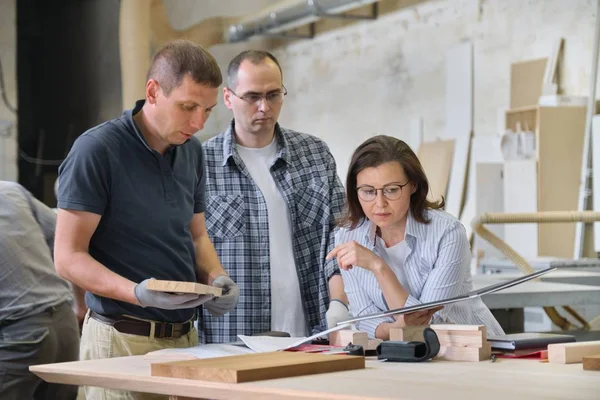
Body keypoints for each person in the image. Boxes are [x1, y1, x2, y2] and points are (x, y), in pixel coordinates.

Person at [54, 40, 239, 399]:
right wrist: (137, 294)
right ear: (153, 92)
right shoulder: (97, 151)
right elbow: (67, 257)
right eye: (188, 107)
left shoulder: (192, 151)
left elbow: (196, 234)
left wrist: (217, 277)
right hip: (120, 340)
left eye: (207, 109)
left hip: (186, 340)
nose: (199, 123)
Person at [201, 50, 348, 343]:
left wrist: (339, 302)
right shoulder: (201, 163)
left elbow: (340, 232)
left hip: (311, 331)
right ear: (228, 98)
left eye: (273, 95)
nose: (264, 107)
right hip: (232, 336)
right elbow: (192, 248)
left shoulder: (314, 154)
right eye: (252, 96)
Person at [327, 135, 504, 340]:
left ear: (413, 185)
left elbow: (428, 322)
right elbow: (364, 319)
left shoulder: (448, 232)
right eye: (368, 191)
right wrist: (398, 328)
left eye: (391, 190)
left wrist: (378, 266)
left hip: (473, 351)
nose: (379, 203)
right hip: (404, 354)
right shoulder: (348, 237)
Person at [0, 181, 81, 400]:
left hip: (18, 335)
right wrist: (80, 305)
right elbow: (66, 241)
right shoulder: (9, 191)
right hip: (66, 325)